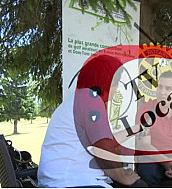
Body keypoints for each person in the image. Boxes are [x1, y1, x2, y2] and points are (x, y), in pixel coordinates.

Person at [38, 55, 146, 188]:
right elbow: (103, 147)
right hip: (70, 182)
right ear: (107, 80)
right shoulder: (90, 99)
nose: (116, 89)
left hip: (64, 178)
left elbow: (107, 141)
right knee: (138, 185)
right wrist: (123, 177)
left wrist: (137, 128)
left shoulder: (82, 98)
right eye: (116, 82)